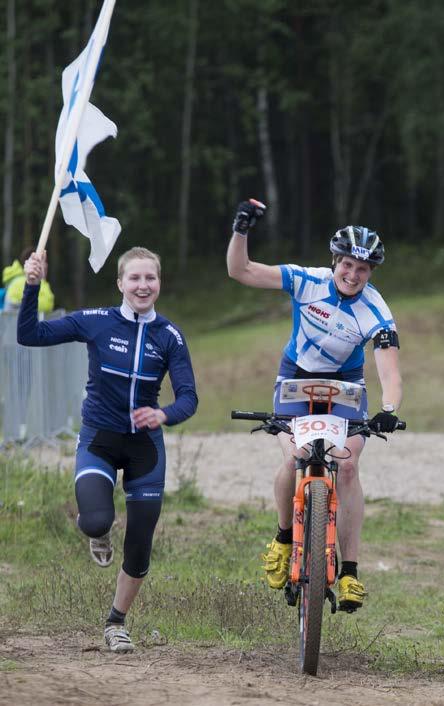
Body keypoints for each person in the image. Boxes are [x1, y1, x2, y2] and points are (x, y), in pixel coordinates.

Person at [17, 246, 198, 653]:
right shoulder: (96, 322)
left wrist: (164, 415)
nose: (142, 285)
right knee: (97, 519)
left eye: (150, 278)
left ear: (159, 283)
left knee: (139, 543)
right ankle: (97, 534)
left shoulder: (169, 336)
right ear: (120, 283)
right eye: (134, 278)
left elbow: (189, 398)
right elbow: (29, 334)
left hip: (144, 450)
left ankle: (116, 623)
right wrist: (33, 287)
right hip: (100, 439)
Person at [226, 199, 403, 611]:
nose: (353, 275)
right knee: (295, 458)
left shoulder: (377, 310)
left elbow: (390, 374)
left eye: (362, 270)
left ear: (370, 273)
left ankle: (350, 572)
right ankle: (285, 538)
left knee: (348, 464)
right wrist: (241, 230)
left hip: (345, 386)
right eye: (347, 265)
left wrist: (388, 409)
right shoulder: (306, 281)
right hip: (296, 378)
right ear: (335, 261)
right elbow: (241, 270)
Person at [3, 246, 55, 312]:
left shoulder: (17, 280)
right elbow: (46, 306)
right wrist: (43, 279)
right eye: (43, 262)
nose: (46, 265)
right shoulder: (21, 282)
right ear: (32, 263)